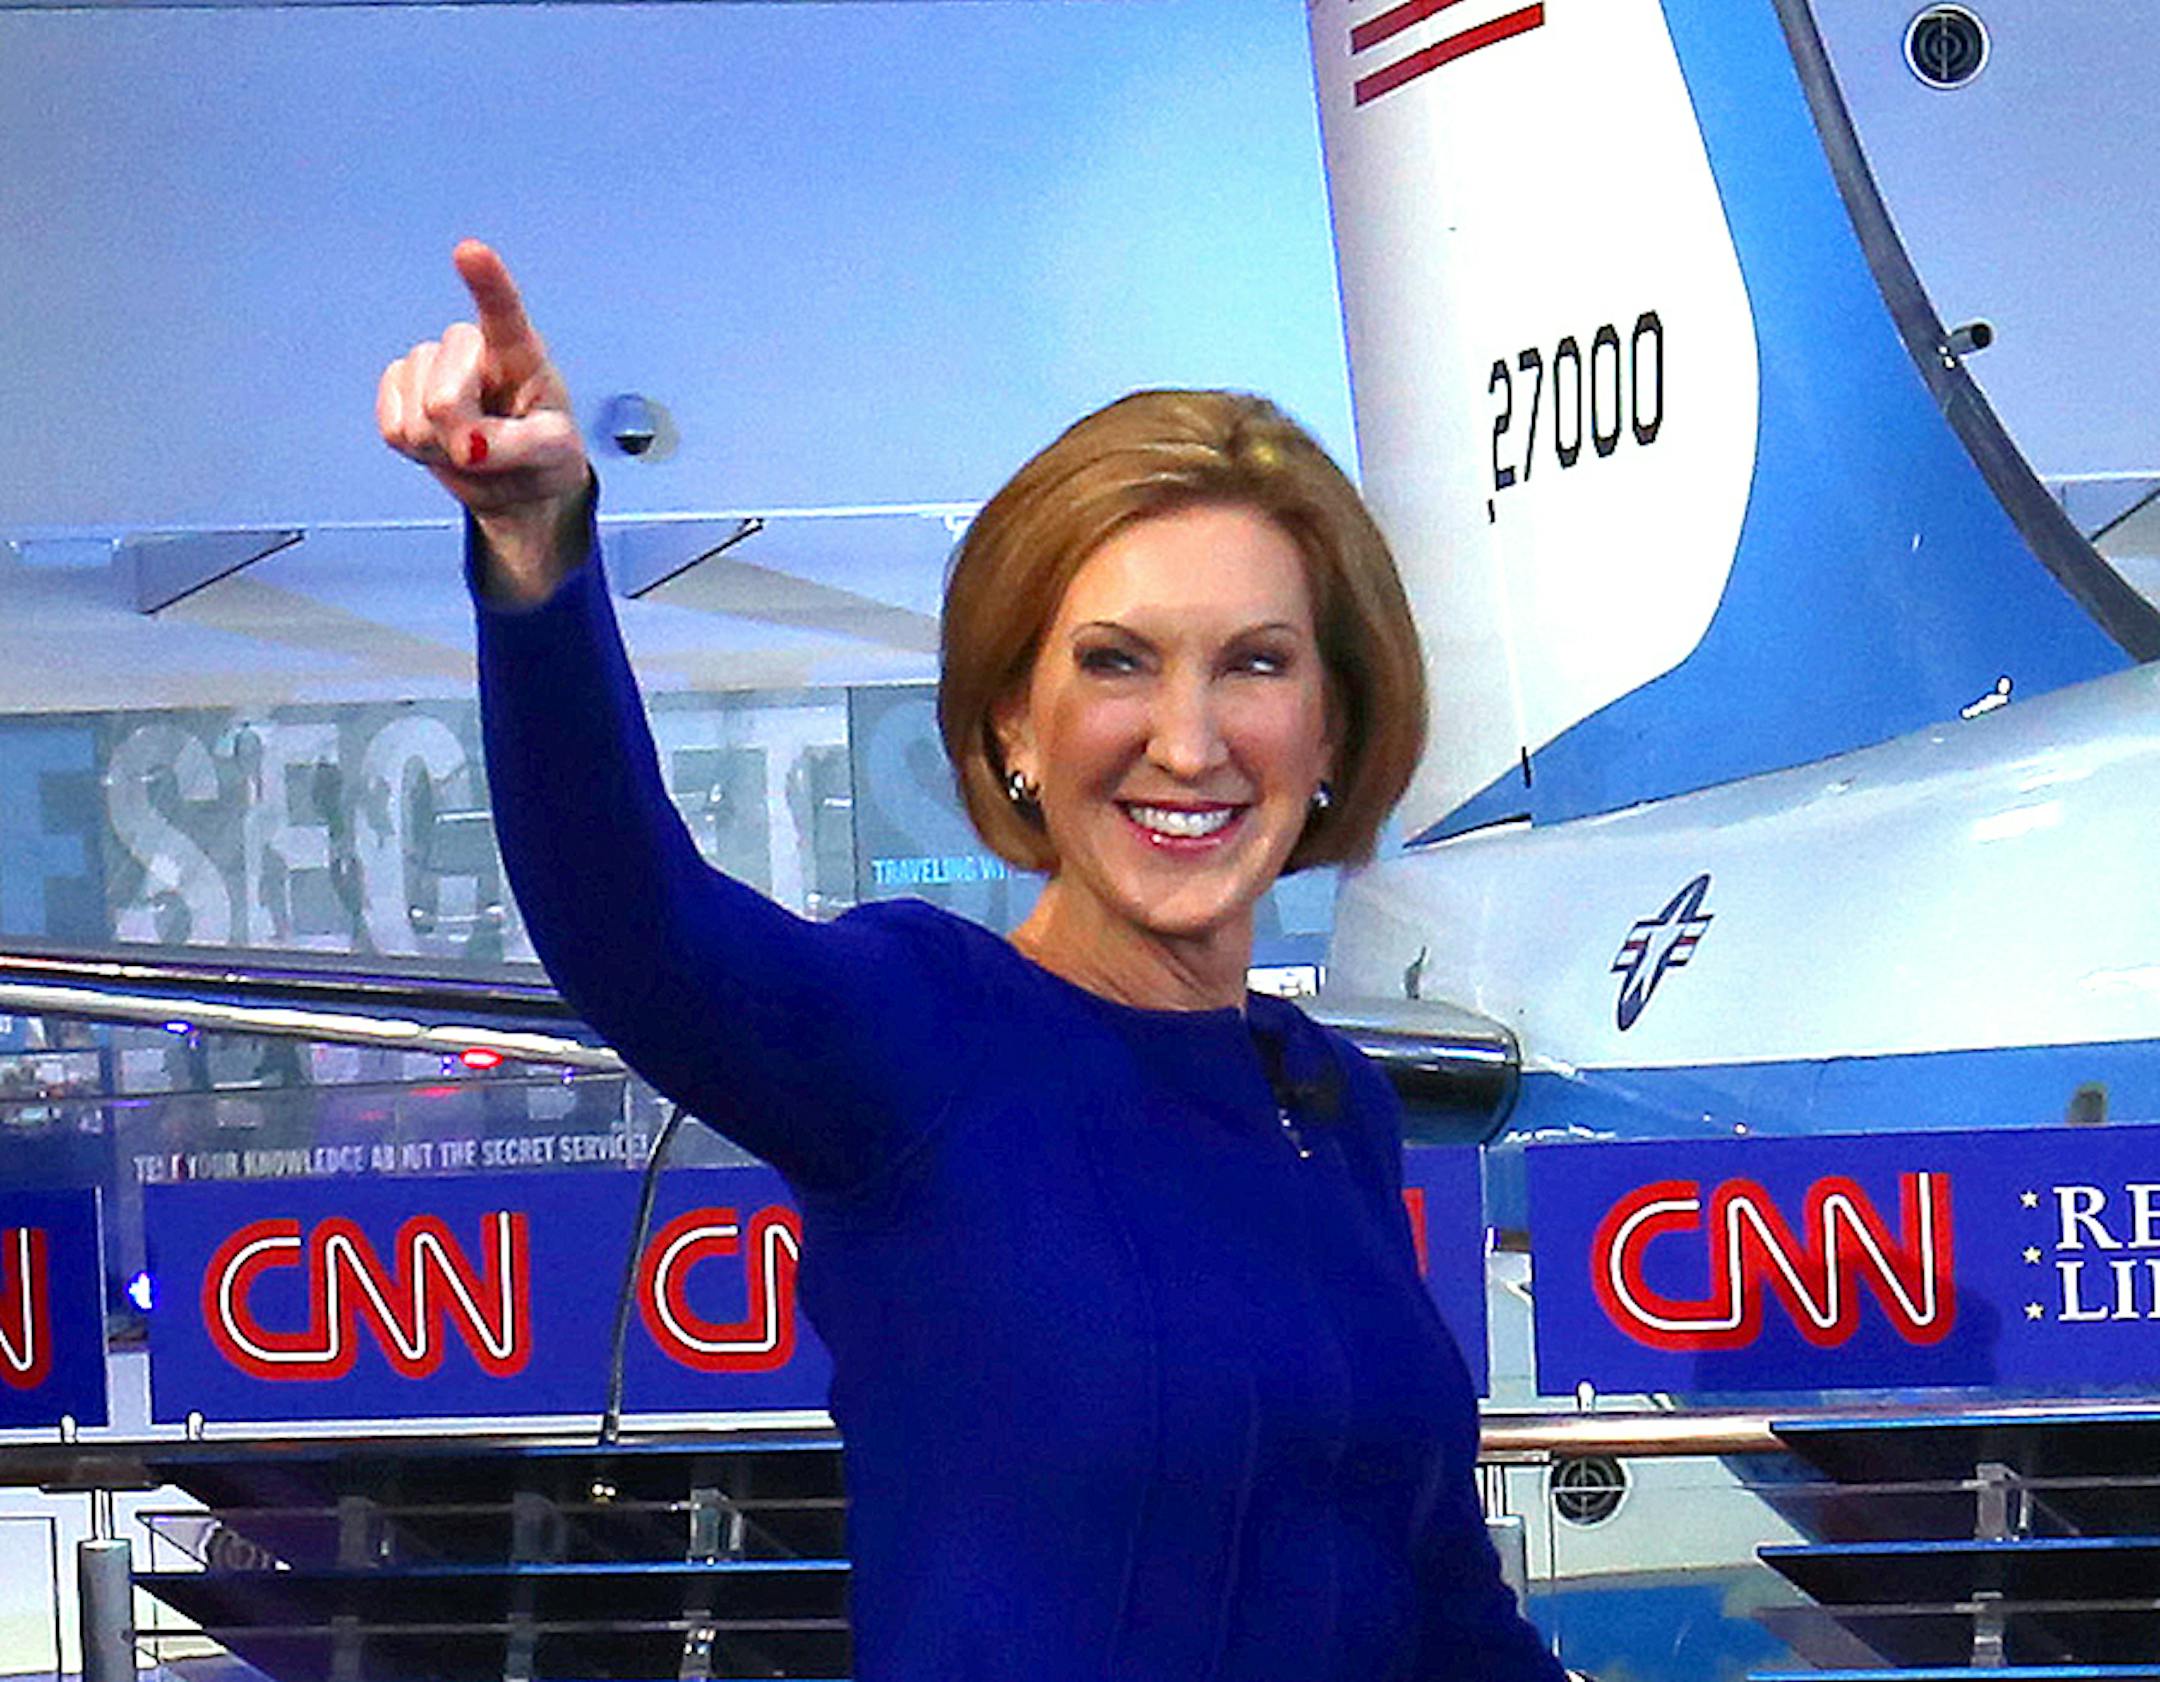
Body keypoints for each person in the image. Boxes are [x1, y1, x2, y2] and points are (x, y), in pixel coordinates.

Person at [378, 240, 1563, 1682]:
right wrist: (535, 550)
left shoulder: (1332, 1103)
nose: (1187, 740)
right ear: (1013, 722)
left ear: (1332, 731)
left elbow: (1434, 1596)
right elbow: (635, 925)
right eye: (1117, 661)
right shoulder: (924, 1034)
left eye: (1255, 663)